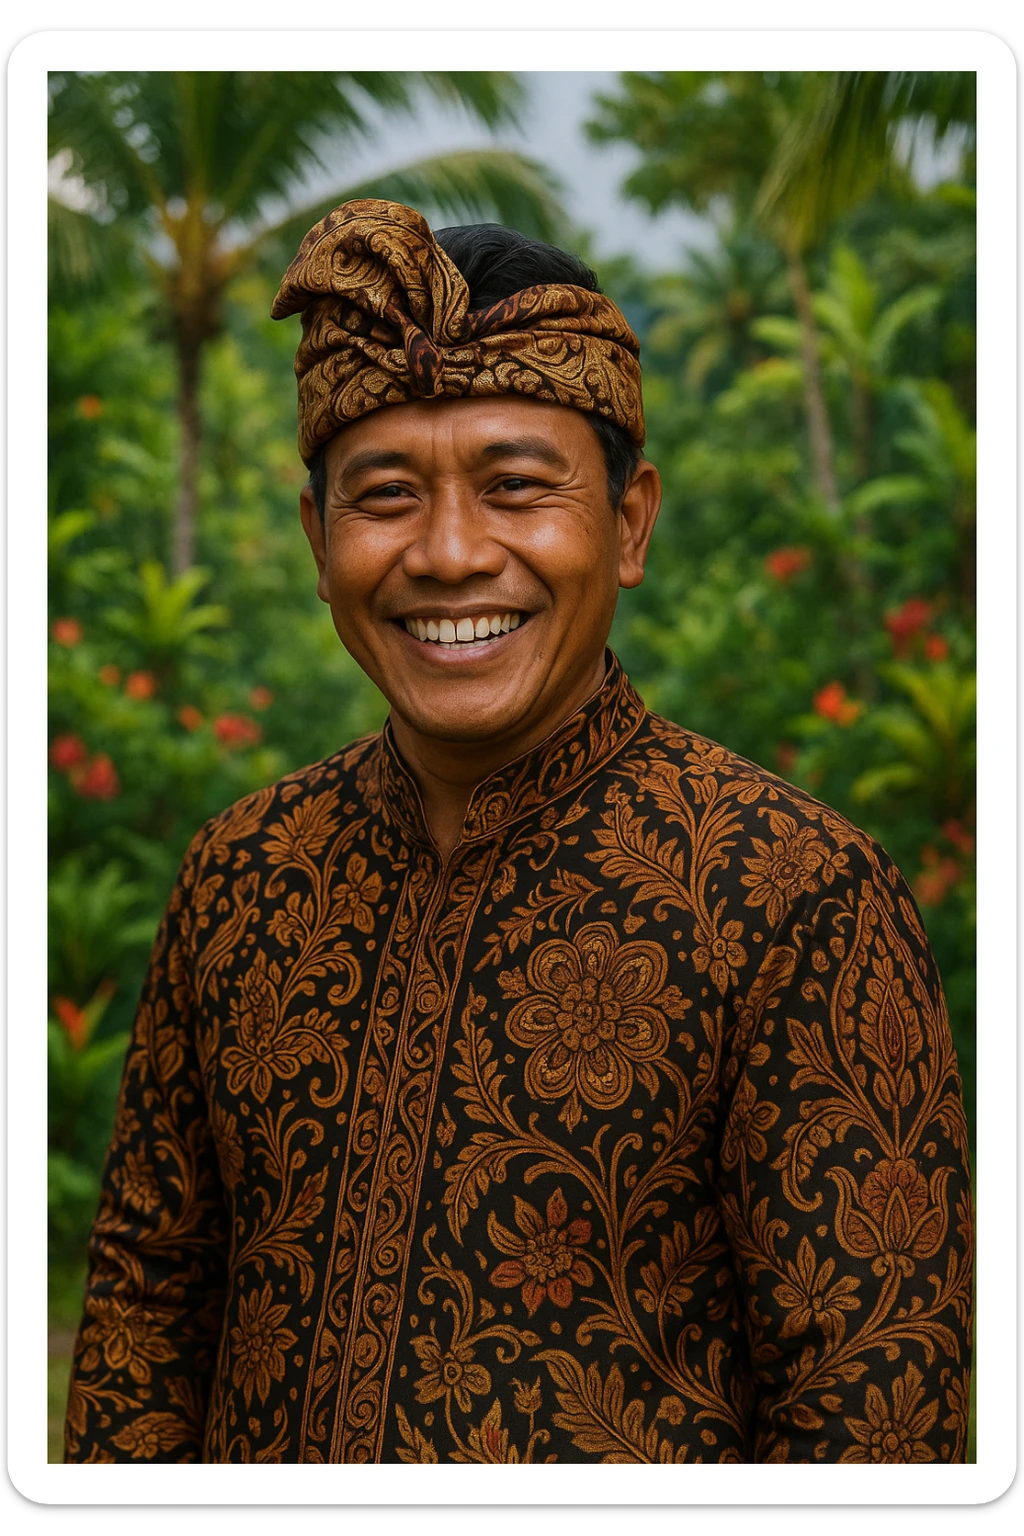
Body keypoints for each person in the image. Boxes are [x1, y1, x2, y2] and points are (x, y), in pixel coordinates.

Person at [64, 199, 973, 1465]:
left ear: (632, 522)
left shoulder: (794, 897)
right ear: (318, 542)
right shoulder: (240, 875)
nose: (446, 554)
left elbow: (875, 1424)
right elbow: (143, 1328)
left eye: (515, 487)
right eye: (384, 494)